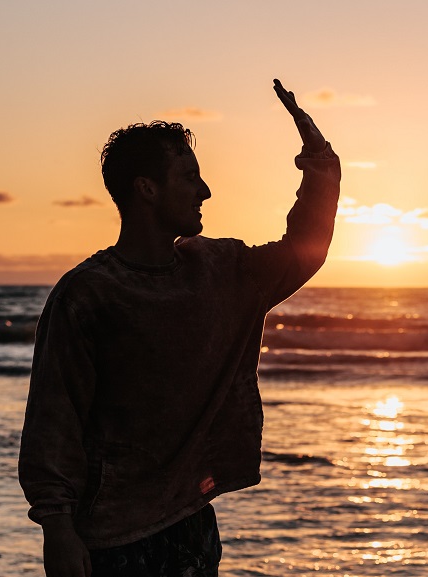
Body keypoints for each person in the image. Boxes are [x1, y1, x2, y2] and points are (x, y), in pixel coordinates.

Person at [18, 79, 340, 577]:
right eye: (189, 177)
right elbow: (54, 421)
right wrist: (57, 528)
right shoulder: (88, 295)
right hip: (113, 539)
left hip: (192, 525)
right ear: (146, 188)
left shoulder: (222, 271)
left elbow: (307, 246)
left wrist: (319, 160)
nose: (205, 190)